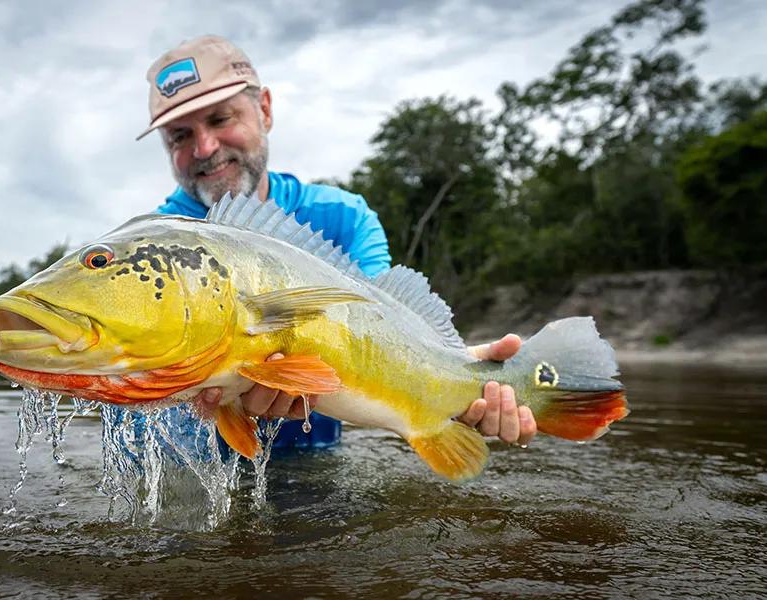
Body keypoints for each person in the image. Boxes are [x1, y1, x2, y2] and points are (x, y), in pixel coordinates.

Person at [135, 35, 537, 454]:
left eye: (220, 119)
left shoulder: (345, 218)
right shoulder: (149, 247)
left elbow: (385, 331)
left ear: (265, 109)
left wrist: (459, 379)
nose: (205, 147)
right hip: (189, 469)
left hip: (319, 462)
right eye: (180, 136)